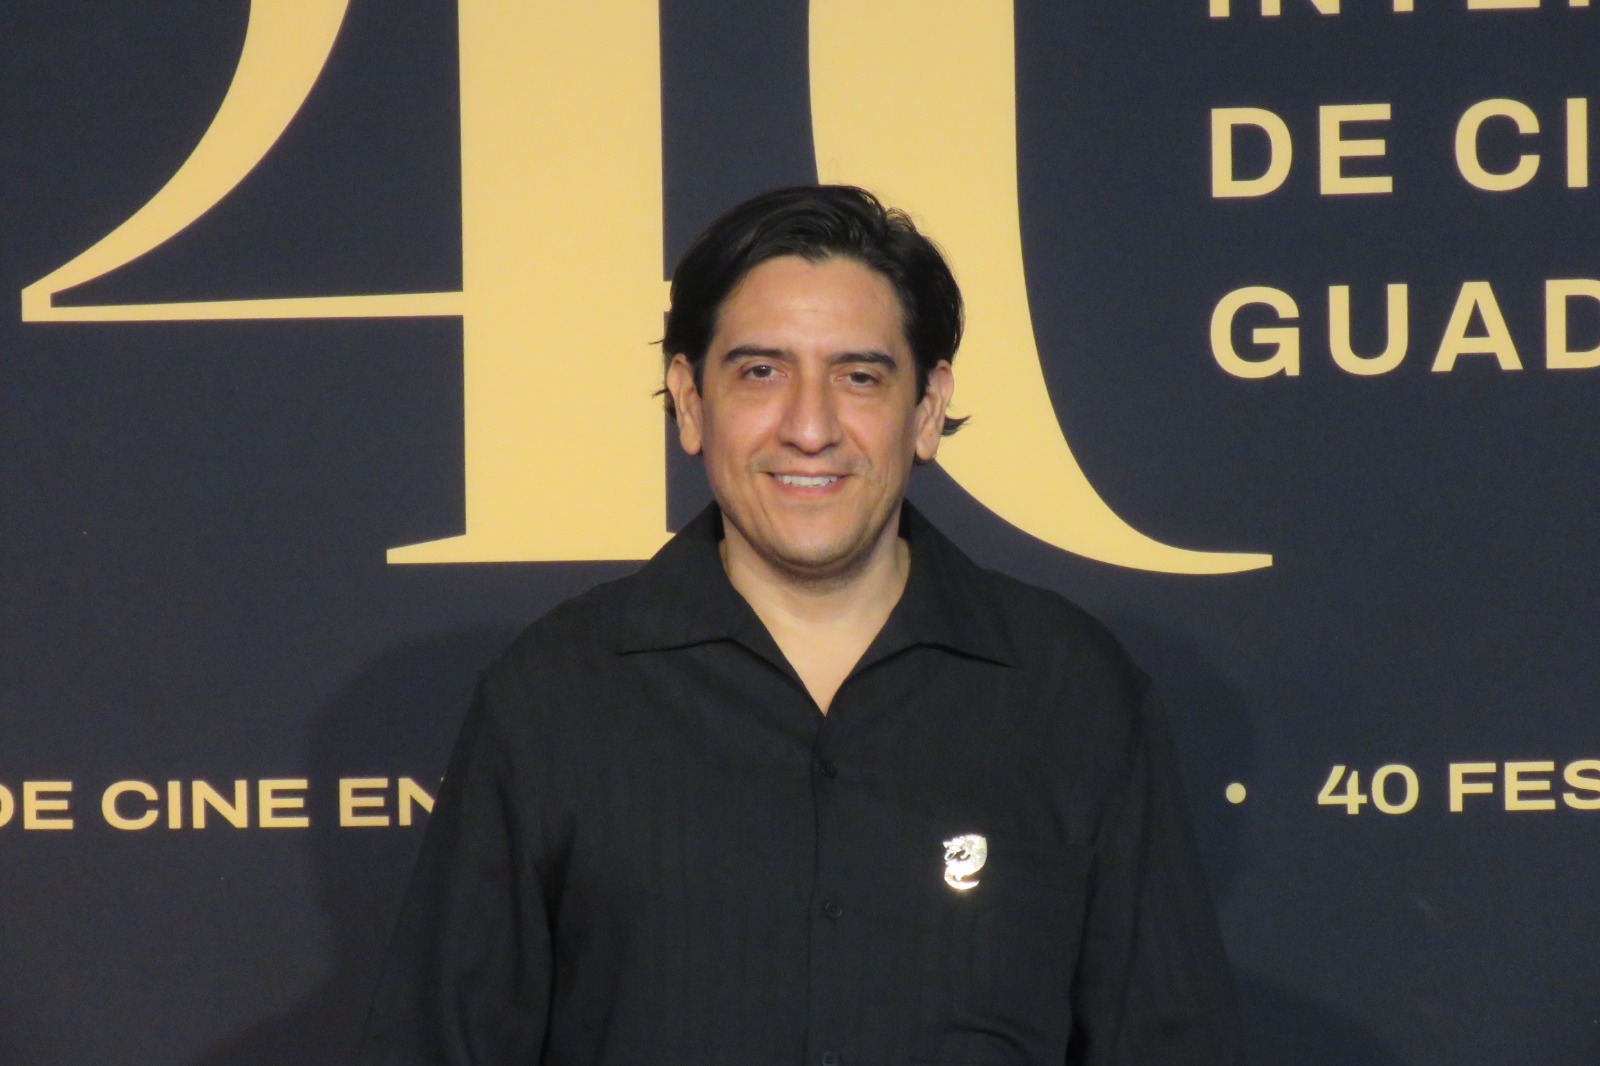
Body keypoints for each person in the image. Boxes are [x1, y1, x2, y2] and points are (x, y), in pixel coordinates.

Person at [359, 185, 1243, 1065]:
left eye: (859, 377)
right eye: (761, 373)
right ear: (690, 402)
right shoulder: (554, 696)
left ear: (927, 409)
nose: (810, 428)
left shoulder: (1072, 694)